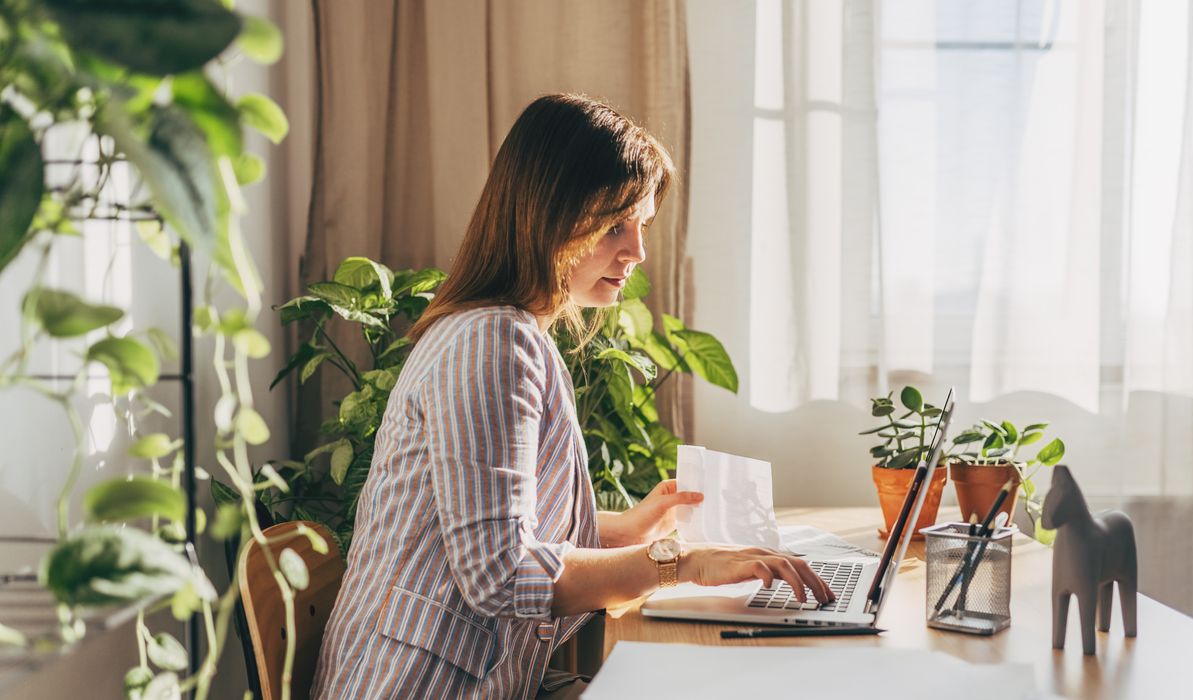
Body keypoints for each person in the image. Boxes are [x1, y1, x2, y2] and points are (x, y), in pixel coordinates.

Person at [312, 94, 832, 700]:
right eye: (616, 225)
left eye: (641, 224)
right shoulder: (492, 342)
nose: (637, 251)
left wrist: (624, 530)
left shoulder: (506, 332)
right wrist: (680, 563)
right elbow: (499, 573)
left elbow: (489, 527)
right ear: (548, 215)